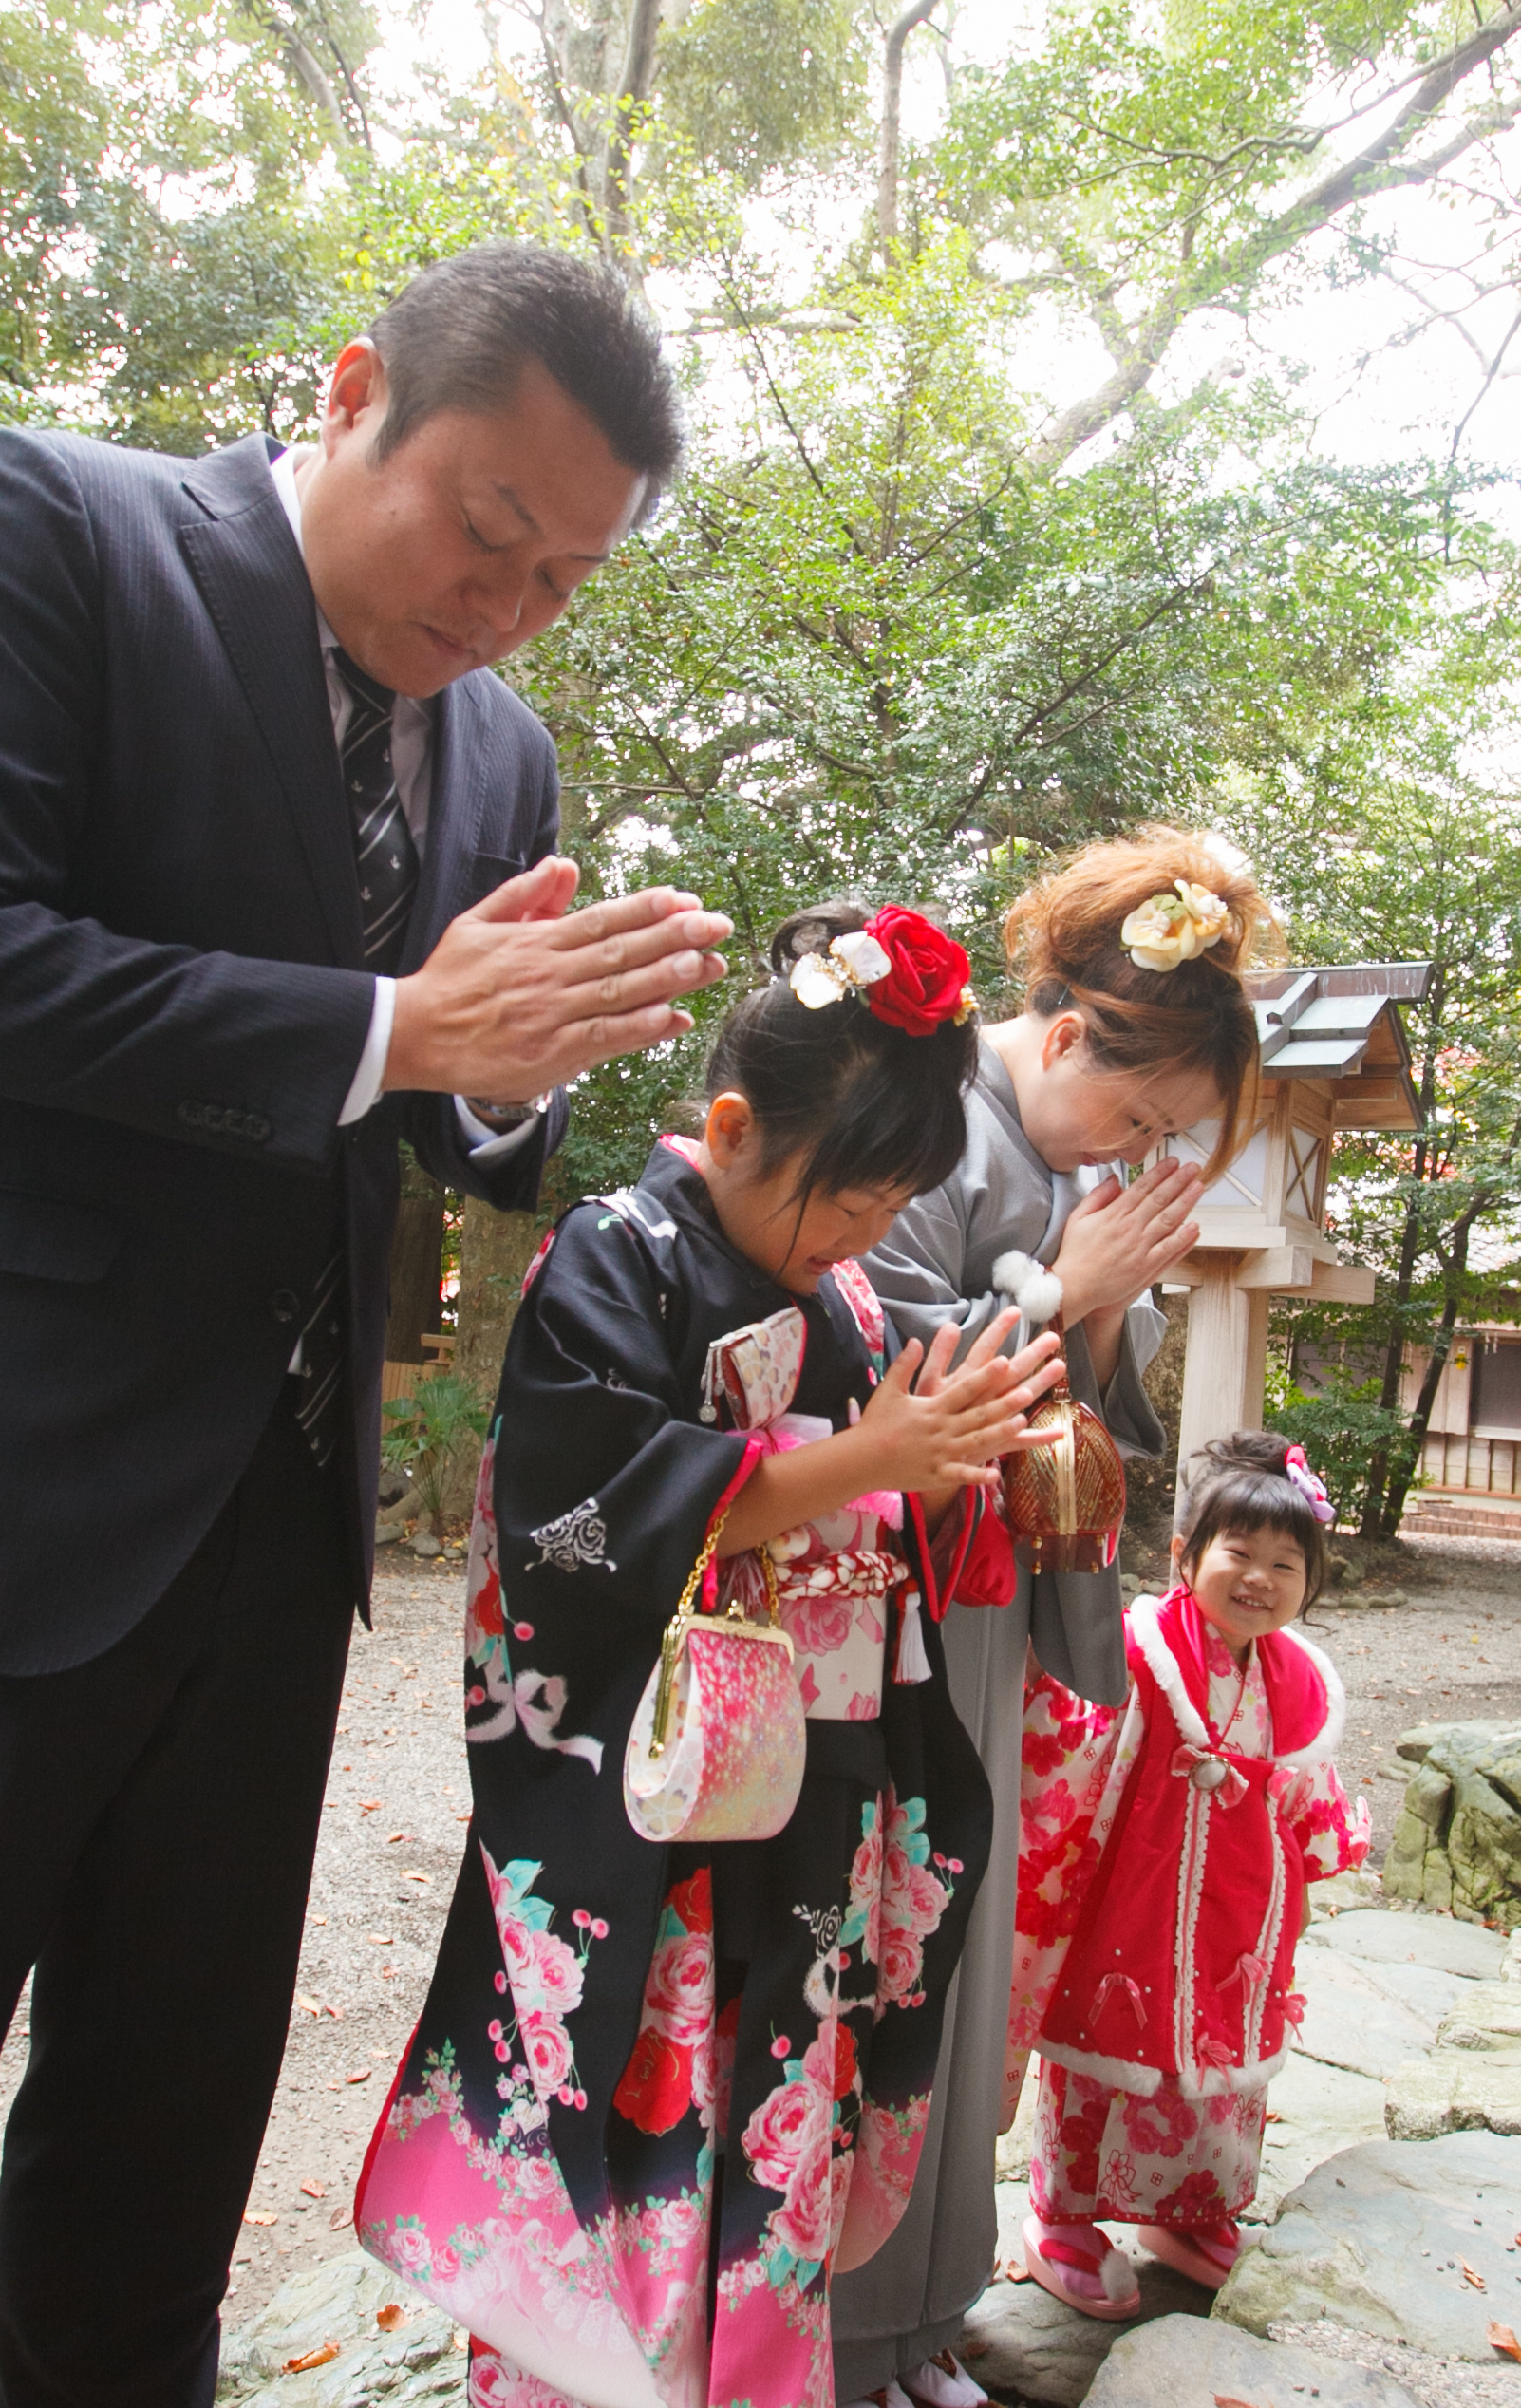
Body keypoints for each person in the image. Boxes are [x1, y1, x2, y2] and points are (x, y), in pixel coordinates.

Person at [0, 244, 735, 2408]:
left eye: (566, 577)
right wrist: (384, 1019)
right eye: (485, 530)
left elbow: (453, 1128)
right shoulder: (52, 529)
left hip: (265, 1540)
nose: (507, 604)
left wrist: (496, 1067)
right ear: (354, 390)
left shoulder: (499, 748)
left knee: (162, 2165)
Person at [354, 904, 1064, 2408]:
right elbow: (569, 1515)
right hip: (657, 1800)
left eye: (887, 1212)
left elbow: (888, 1518)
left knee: (777, 2126)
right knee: (643, 2098)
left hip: (819, 1790)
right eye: (844, 1204)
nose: (859, 1242)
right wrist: (852, 1462)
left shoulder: (857, 1302)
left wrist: (947, 1470)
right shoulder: (617, 1253)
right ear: (730, 1125)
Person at [830, 830, 1274, 2406]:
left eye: (1168, 1135)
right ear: (1068, 1031)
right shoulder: (914, 1113)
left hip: (992, 1607)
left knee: (962, 1964)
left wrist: (1085, 1299)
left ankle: (926, 2314)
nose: (1135, 1151)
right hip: (871, 1604)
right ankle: (833, 2329)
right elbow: (852, 1358)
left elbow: (1098, 1413)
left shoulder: (1070, 1170)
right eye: (1139, 1114)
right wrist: (1052, 1292)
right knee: (871, 1957)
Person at [1007, 1433, 1369, 2309]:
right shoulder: (1141, 1649)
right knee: (1107, 2051)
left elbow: (1304, 1795)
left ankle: (1192, 2208)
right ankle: (1064, 2216)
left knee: (1225, 2065)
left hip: (1240, 1911)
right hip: (1136, 1894)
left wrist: (1308, 1871)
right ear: (1184, 1556)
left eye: (1287, 1564)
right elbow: (1072, 1743)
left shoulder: (1295, 1681)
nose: (1260, 1579)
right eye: (1239, 1554)